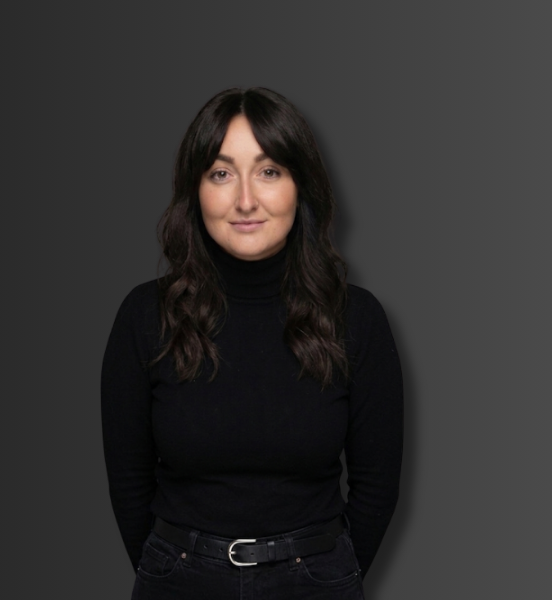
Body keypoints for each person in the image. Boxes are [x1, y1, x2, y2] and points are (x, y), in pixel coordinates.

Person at [101, 87, 404, 600]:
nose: (245, 200)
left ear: (300, 185)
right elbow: (128, 483)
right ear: (195, 190)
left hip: (316, 582)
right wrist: (169, 570)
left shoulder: (357, 318)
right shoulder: (145, 315)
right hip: (178, 580)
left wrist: (333, 575)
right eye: (221, 173)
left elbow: (377, 485)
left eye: (269, 171)